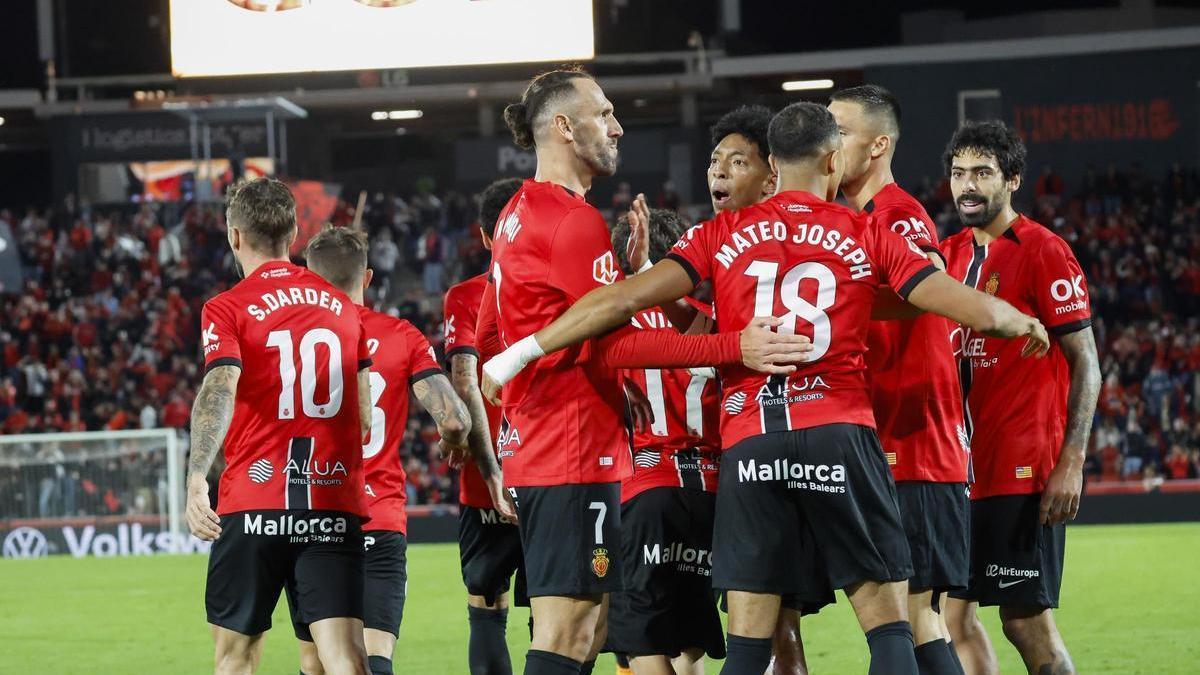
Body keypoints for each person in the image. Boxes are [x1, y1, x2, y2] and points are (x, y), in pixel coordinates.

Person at [481, 102, 1051, 675]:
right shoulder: (863, 229)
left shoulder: (720, 233)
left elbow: (620, 302)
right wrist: (1013, 319)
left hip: (750, 445)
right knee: (891, 627)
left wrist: (522, 351)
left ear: (772, 163)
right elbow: (938, 295)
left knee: (752, 647)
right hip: (839, 433)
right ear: (832, 159)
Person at [481, 66, 809, 675]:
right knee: (569, 630)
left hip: (547, 439)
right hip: (573, 445)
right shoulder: (573, 221)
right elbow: (614, 350)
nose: (617, 126)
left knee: (590, 627)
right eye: (603, 114)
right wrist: (733, 346)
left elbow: (487, 334)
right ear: (564, 127)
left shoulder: (516, 213)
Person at [297, 226, 512, 675]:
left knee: (318, 663)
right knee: (372, 663)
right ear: (369, 277)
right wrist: (453, 441)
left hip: (310, 519)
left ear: (308, 280)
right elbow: (455, 418)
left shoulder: (291, 342)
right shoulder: (400, 335)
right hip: (377, 519)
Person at [185, 178, 373, 675]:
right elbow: (364, 416)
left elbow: (219, 388)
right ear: (293, 234)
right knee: (345, 659)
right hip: (331, 504)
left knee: (235, 659)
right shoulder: (345, 309)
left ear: (234, 237)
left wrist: (196, 478)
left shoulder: (225, 308)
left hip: (252, 506)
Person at [939, 121, 1101, 675]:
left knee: (1025, 624)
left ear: (1012, 180)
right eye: (959, 173)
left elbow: (1087, 362)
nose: (967, 185)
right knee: (945, 618)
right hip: (960, 472)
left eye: (982, 173)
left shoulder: (1044, 251)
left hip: (1024, 470)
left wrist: (1072, 462)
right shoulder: (947, 254)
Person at [829, 84, 969, 674]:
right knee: (904, 617)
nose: (829, 144)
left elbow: (925, 292)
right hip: (886, 443)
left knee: (910, 615)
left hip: (911, 448)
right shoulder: (854, 218)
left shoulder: (898, 215)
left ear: (878, 143)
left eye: (841, 131)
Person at [604, 207, 726, 675]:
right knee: (688, 637)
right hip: (714, 492)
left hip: (646, 486)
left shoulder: (610, 320)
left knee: (642, 639)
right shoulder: (714, 322)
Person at [444, 177, 527, 675]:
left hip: (486, 475)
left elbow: (464, 378)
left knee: (486, 605)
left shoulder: (465, 296)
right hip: (553, 469)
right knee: (560, 612)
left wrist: (486, 463)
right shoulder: (563, 287)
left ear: (483, 235)